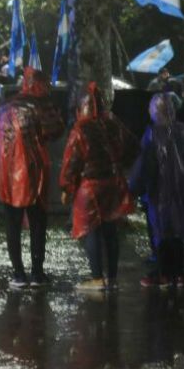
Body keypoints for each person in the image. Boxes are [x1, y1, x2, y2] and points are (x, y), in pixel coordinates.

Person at [0, 68, 66, 290]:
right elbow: (56, 130)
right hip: (34, 174)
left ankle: (18, 274)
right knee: (38, 224)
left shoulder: (3, 107)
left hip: (7, 174)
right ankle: (37, 273)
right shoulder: (42, 105)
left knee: (12, 224)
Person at [59, 82, 136, 292]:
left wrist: (66, 187)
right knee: (110, 228)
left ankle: (96, 277)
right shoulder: (112, 123)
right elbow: (130, 145)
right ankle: (112, 278)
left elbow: (72, 160)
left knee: (91, 229)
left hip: (90, 186)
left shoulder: (80, 129)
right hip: (112, 183)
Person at [129, 92, 184, 289]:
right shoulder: (183, 131)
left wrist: (132, 188)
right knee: (177, 231)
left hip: (159, 190)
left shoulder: (153, 133)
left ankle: (163, 273)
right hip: (181, 191)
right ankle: (178, 273)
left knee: (161, 231)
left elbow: (143, 164)